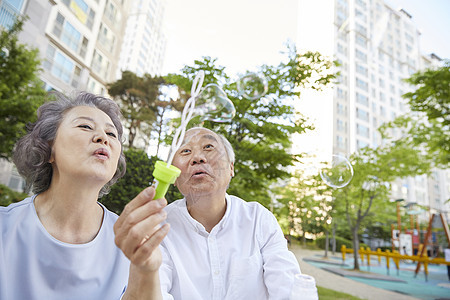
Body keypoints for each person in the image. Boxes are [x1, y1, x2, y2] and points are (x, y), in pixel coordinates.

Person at [0, 92, 168, 300]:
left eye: (112, 134)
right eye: (85, 126)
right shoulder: (4, 228)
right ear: (48, 149)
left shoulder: (130, 240)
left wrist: (146, 271)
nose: (103, 138)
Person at [159, 127, 302, 299]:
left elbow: (289, 289)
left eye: (208, 147)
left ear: (231, 168)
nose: (197, 158)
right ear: (174, 176)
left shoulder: (258, 219)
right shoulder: (159, 226)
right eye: (186, 151)